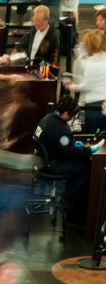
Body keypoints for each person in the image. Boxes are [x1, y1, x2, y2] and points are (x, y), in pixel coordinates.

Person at [34, 95, 96, 227]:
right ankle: (67, 197)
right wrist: (89, 150)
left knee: (80, 165)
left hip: (41, 161)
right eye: (72, 115)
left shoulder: (48, 118)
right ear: (66, 113)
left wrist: (73, 145)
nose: (72, 119)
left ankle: (71, 202)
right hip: (52, 164)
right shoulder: (60, 128)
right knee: (87, 169)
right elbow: (71, 153)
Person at [63, 29, 106, 134]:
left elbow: (86, 86)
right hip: (104, 103)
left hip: (93, 106)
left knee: (91, 138)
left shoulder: (92, 62)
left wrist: (70, 86)